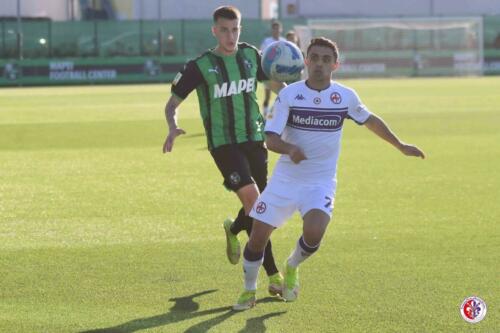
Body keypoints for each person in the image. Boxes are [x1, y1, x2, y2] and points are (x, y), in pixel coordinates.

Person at [233, 37, 426, 310]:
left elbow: (370, 120)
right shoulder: (290, 95)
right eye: (315, 58)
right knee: (257, 239)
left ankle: (291, 266)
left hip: (320, 183)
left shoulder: (345, 97)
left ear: (335, 64)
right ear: (306, 62)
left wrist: (400, 145)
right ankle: (248, 290)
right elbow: (270, 138)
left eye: (326, 59)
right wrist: (290, 149)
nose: (320, 64)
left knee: (314, 234)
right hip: (285, 181)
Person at [162, 6, 285, 296]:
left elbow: (275, 86)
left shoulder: (251, 55)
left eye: (235, 29)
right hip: (224, 145)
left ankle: (233, 230)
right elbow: (172, 104)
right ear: (214, 30)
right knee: (257, 205)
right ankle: (273, 274)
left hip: (255, 139)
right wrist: (172, 126)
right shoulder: (200, 66)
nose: (231, 36)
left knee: (258, 207)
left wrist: (299, 95)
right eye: (225, 30)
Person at [260, 20, 286, 117]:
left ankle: (278, 114)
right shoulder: (267, 41)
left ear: (281, 30)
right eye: (274, 28)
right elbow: (262, 54)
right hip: (269, 72)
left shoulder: (284, 41)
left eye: (278, 28)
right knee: (267, 95)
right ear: (272, 30)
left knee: (283, 95)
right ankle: (265, 114)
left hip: (281, 73)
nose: (276, 30)